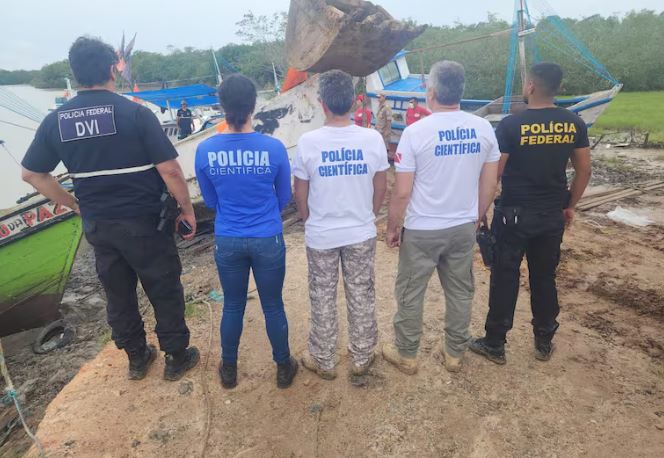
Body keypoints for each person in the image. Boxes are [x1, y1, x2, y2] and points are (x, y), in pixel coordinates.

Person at [21, 36, 199, 381]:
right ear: (111, 71)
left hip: (99, 226)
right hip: (145, 222)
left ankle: (137, 358)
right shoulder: (135, 113)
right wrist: (186, 209)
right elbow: (170, 170)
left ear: (75, 74)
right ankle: (176, 356)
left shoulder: (57, 121)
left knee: (118, 293)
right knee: (163, 285)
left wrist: (73, 204)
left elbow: (32, 174)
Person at [470, 63, 591, 364]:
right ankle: (544, 341)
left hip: (514, 215)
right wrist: (570, 205)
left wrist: (480, 209)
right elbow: (584, 170)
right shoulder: (574, 123)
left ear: (531, 86)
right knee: (544, 277)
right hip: (551, 214)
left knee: (505, 275)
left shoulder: (511, 125)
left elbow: (495, 174)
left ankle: (495, 343)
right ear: (557, 88)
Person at [383, 61, 500, 374]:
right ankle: (454, 353)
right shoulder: (483, 128)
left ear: (431, 92)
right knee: (460, 291)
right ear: (461, 91)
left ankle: (406, 354)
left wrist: (392, 227)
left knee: (410, 292)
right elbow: (490, 183)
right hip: (462, 226)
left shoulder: (415, 132)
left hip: (422, 230)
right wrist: (476, 217)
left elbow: (402, 192)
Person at [194, 74, 298, 389]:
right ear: (254, 106)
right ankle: (283, 367)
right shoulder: (274, 148)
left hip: (228, 238)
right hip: (267, 237)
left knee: (233, 304)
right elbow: (285, 196)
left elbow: (210, 200)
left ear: (221, 106)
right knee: (273, 305)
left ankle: (229, 369)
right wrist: (263, 213)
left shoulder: (205, 150)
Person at [293, 69, 389, 380]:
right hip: (360, 230)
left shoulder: (308, 142)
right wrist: (368, 214)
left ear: (322, 103)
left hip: (321, 234)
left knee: (322, 295)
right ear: (354, 102)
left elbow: (300, 191)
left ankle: (324, 359)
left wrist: (309, 219)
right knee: (361, 292)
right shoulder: (371, 139)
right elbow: (380, 185)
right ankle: (362, 357)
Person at [375, 93, 394, 161]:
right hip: (379, 130)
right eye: (378, 97)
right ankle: (381, 159)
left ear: (384, 98)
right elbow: (379, 118)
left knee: (385, 146)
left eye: (380, 97)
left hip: (384, 131)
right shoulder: (380, 106)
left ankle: (385, 160)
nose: (378, 98)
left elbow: (389, 120)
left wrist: (388, 130)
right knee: (380, 146)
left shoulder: (387, 107)